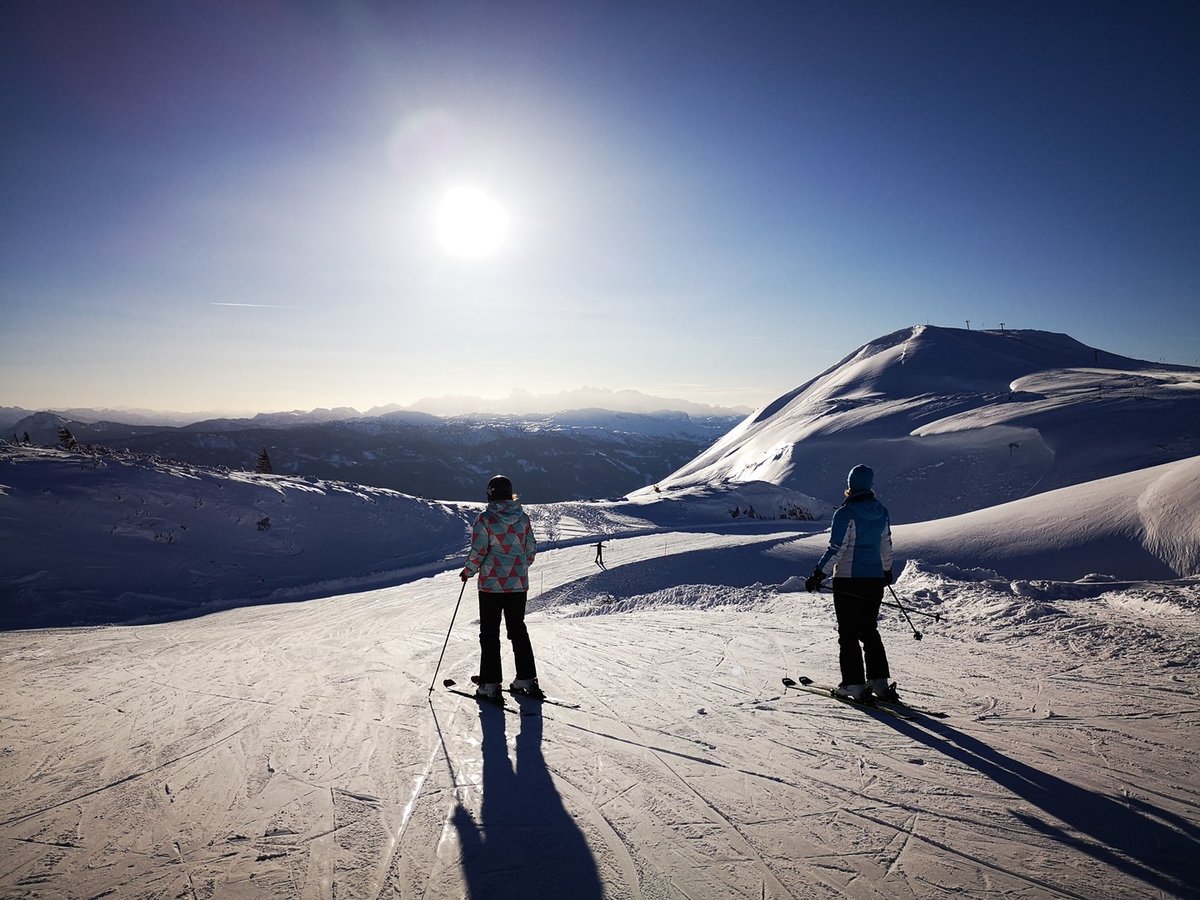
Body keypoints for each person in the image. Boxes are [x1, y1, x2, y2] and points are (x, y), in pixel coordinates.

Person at [804, 464, 896, 702]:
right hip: (875, 579)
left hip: (849, 580)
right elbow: (886, 544)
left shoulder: (845, 513)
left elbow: (837, 549)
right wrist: (886, 571)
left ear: (850, 485)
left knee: (848, 632)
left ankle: (854, 684)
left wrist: (818, 574)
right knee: (869, 629)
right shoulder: (881, 511)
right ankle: (880, 683)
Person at [461, 475, 542, 700]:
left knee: (489, 633)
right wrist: (518, 567)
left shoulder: (485, 519)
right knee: (517, 629)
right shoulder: (523, 519)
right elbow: (531, 550)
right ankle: (526, 679)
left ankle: (490, 684)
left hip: (491, 587)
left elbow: (478, 552)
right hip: (518, 585)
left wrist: (468, 572)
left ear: (490, 494)